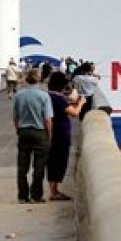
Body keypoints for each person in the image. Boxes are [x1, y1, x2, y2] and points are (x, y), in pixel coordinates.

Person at [13, 68, 53, 204]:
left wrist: (18, 130)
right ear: (39, 79)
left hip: (23, 131)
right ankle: (36, 195)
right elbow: (48, 119)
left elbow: (15, 117)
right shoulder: (44, 96)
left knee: (22, 166)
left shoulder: (19, 95)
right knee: (39, 166)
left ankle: (22, 196)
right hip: (40, 132)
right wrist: (49, 135)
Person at [46, 71, 84, 201]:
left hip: (51, 132)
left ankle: (53, 189)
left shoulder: (48, 96)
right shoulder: (59, 99)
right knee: (60, 160)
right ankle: (54, 191)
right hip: (61, 133)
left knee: (53, 160)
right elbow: (74, 113)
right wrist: (81, 103)